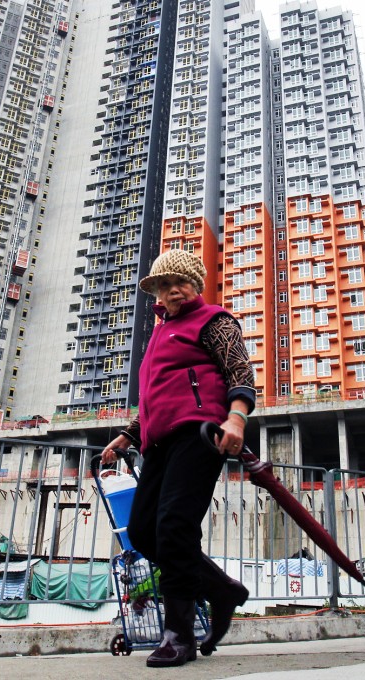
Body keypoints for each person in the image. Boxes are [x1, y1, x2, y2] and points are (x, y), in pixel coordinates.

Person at [101, 249, 255, 668]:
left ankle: (178, 634)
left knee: (174, 525)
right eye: (163, 286)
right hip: (158, 443)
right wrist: (126, 435)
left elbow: (240, 372)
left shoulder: (214, 321)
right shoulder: (159, 334)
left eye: (179, 283)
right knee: (145, 533)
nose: (172, 291)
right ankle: (222, 590)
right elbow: (154, 398)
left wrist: (236, 419)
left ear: (195, 285)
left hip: (199, 433)